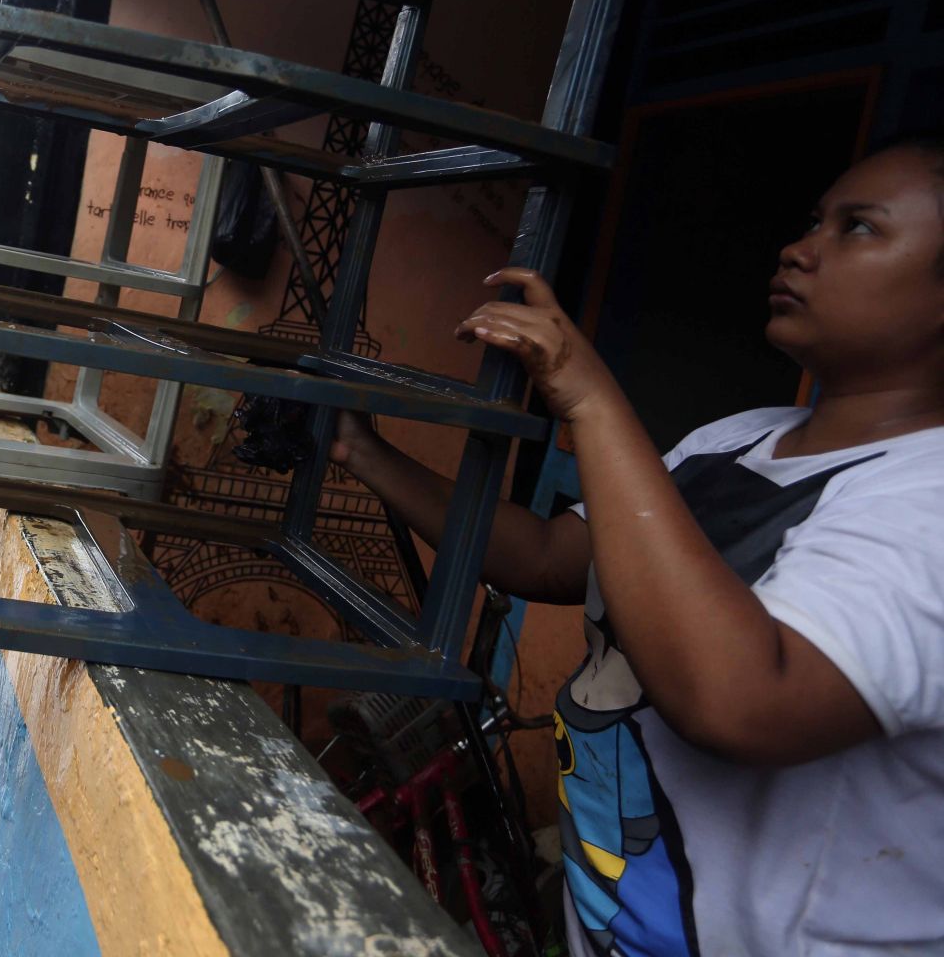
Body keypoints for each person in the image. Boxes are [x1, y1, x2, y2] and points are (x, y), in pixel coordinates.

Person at [331, 136, 944, 955]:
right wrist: (364, 456)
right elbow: (548, 555)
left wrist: (590, 397)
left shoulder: (926, 496)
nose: (800, 250)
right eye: (814, 222)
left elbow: (741, 703)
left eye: (859, 228)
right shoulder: (738, 439)